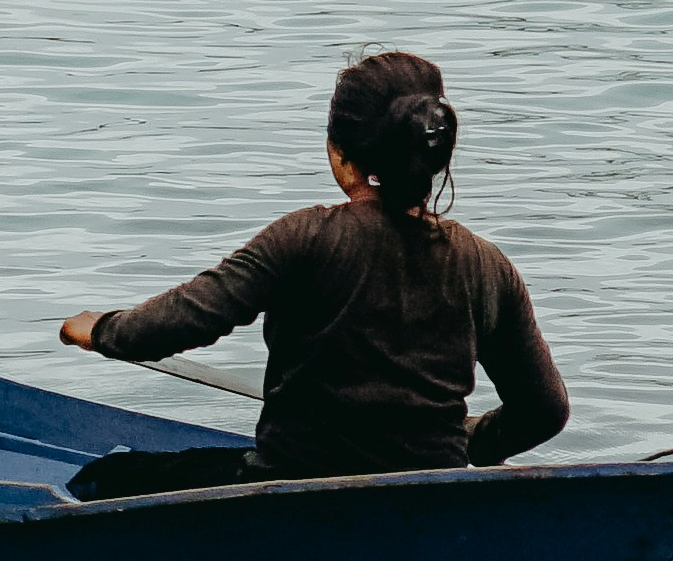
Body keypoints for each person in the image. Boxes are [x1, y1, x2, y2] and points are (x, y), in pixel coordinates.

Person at [52, 51, 569, 500]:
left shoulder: (305, 237)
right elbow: (543, 410)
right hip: (431, 491)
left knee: (103, 480)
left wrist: (98, 329)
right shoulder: (486, 265)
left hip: (295, 486)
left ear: (339, 154)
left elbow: (179, 322)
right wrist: (476, 442)